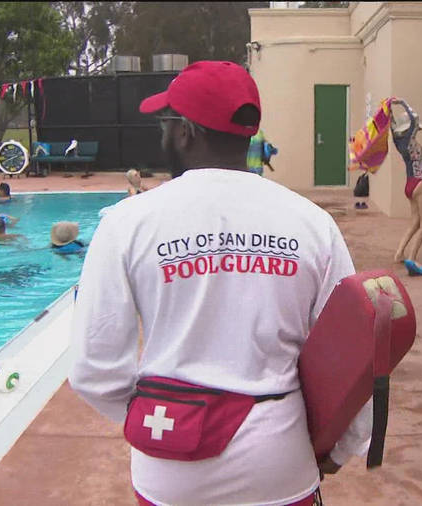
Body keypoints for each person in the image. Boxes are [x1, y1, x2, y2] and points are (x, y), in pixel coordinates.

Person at [68, 60, 371, 506]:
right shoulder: (311, 223)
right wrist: (342, 448)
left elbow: (93, 368)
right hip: (277, 461)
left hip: (170, 465)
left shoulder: (128, 223)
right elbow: (354, 350)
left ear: (186, 132)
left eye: (166, 123)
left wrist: (154, 418)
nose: (162, 134)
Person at [389, 98, 422, 266]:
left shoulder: (398, 141)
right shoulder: (409, 141)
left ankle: (399, 252)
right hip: (420, 182)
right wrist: (403, 103)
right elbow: (414, 120)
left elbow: (391, 124)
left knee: (415, 222)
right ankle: (412, 258)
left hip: (409, 184)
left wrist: (389, 110)